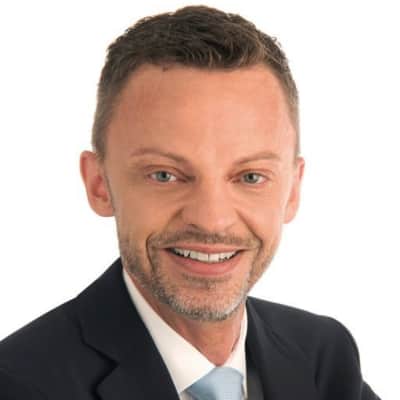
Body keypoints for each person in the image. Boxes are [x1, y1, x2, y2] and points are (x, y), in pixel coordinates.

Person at [0, 5, 380, 400]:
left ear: (292, 190)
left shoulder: (323, 358)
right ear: (100, 184)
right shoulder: (17, 384)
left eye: (250, 177)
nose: (212, 220)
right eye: (165, 175)